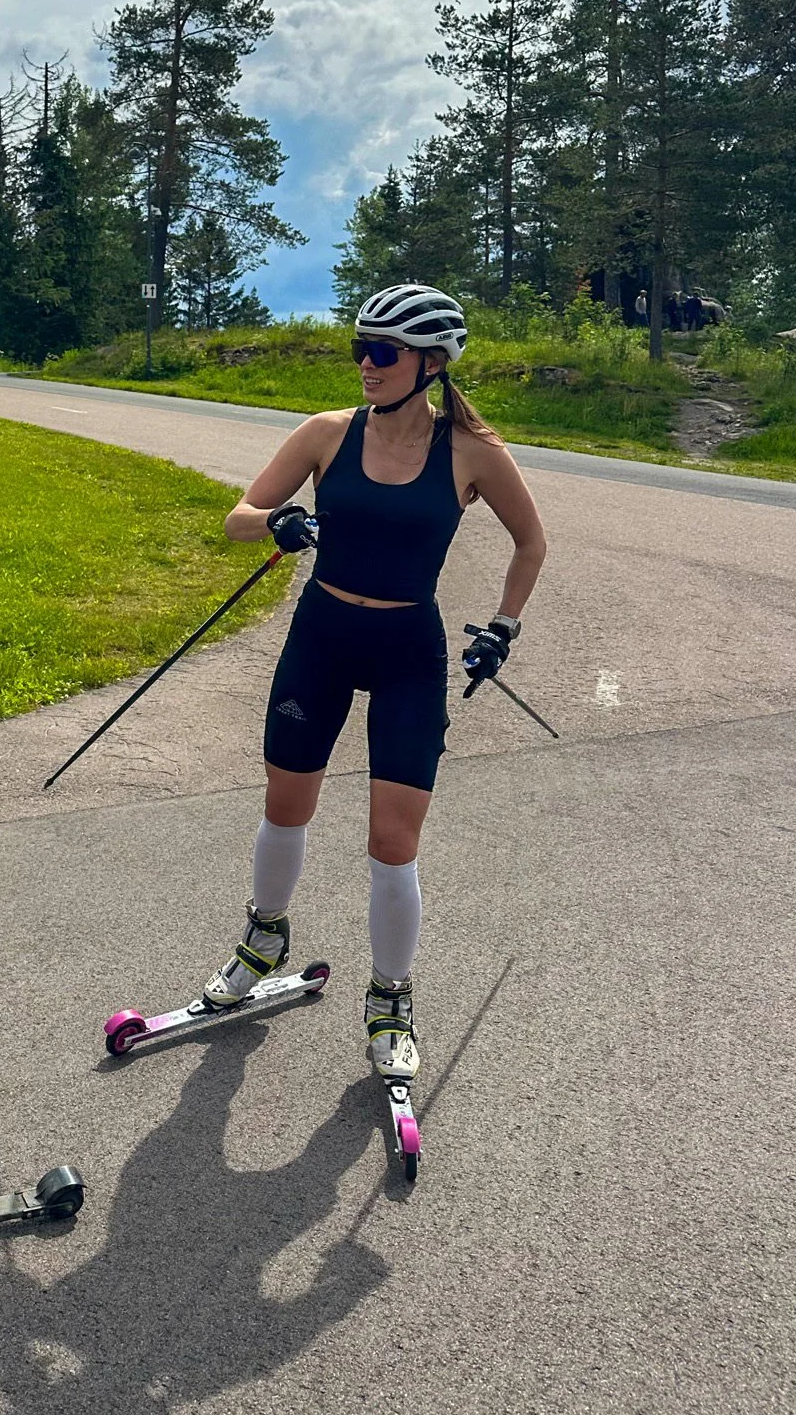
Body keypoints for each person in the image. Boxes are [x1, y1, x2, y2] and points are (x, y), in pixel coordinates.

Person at [202, 283, 546, 1083]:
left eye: (382, 352)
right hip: (321, 636)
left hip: (405, 650)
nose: (365, 363)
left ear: (430, 364)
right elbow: (238, 514)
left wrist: (503, 627)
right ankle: (264, 938)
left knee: (393, 842)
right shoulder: (327, 433)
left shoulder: (473, 452)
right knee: (286, 804)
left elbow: (531, 543)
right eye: (359, 347)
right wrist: (278, 523)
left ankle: (391, 998)